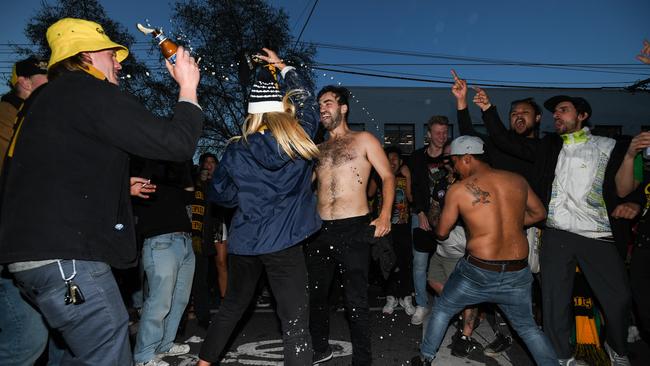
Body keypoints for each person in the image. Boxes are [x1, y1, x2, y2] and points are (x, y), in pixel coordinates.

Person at [0, 17, 202, 365]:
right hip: (68, 258)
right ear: (87, 56)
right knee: (109, 343)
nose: (119, 62)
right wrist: (188, 88)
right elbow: (176, 144)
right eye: (112, 54)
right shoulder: (87, 91)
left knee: (66, 355)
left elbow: (48, 171)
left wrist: (121, 185)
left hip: (27, 258)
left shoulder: (44, 101)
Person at [476, 89, 635, 365]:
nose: (556, 116)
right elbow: (503, 141)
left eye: (563, 110)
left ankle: (618, 349)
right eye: (555, 112)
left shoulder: (610, 145)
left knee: (619, 299)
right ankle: (562, 356)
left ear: (582, 116)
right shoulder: (550, 146)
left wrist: (633, 202)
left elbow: (631, 181)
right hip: (557, 233)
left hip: (598, 235)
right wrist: (488, 108)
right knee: (554, 302)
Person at [197, 48, 320, 366]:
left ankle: (203, 363)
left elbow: (220, 195)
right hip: (283, 242)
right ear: (281, 111)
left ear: (253, 114)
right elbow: (309, 104)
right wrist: (285, 68)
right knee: (294, 324)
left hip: (245, 242)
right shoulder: (297, 142)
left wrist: (248, 197)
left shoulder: (236, 150)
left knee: (231, 309)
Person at [412, 135, 557, 366]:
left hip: (479, 270)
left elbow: (441, 233)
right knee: (528, 329)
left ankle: (425, 358)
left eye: (456, 161)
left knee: (442, 310)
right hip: (517, 271)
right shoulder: (517, 180)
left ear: (467, 158)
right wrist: (510, 225)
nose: (455, 167)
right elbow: (540, 214)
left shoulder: (459, 190)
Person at [452, 69, 544, 355]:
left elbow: (506, 141)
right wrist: (462, 103)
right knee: (482, 276)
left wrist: (488, 110)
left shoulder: (541, 147)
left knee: (530, 282)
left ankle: (535, 330)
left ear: (537, 119)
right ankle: (482, 332)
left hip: (530, 228)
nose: (518, 116)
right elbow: (471, 140)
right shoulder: (497, 146)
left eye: (524, 113)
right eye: (514, 112)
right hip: (494, 228)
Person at [307, 85, 395, 365]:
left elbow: (388, 177)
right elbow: (301, 188)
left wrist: (384, 215)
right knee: (316, 295)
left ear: (343, 108)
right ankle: (320, 348)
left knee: (355, 301)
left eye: (328, 103)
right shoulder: (317, 149)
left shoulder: (364, 139)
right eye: (320, 104)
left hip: (354, 228)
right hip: (320, 230)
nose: (323, 108)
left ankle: (362, 360)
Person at [131, 159, 196, 366]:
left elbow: (189, 194)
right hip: (160, 242)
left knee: (180, 300)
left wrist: (184, 164)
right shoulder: (142, 168)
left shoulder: (174, 174)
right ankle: (143, 356)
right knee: (160, 300)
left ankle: (165, 344)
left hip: (185, 241)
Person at [408, 115, 450, 325]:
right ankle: (422, 304)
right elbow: (414, 187)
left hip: (450, 217)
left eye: (445, 132)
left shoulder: (452, 156)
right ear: (429, 134)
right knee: (419, 263)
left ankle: (449, 302)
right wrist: (421, 212)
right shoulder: (416, 157)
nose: (442, 136)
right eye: (437, 132)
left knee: (451, 261)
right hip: (421, 216)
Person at [368, 146, 415, 317]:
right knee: (387, 262)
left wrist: (408, 176)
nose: (392, 162)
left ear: (401, 162)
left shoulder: (404, 176)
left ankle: (406, 296)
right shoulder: (380, 177)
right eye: (388, 159)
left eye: (395, 159)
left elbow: (410, 198)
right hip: (385, 228)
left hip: (403, 226)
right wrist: (375, 173)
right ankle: (390, 296)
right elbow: (370, 194)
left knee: (405, 261)